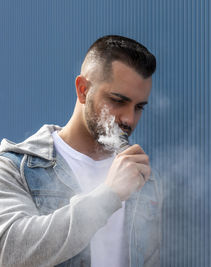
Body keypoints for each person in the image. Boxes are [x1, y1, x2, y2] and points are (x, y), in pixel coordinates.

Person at [0, 35, 162, 267]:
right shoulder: (15, 168)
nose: (129, 119)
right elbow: (9, 252)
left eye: (139, 107)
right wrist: (110, 194)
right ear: (83, 90)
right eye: (117, 100)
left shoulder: (145, 179)